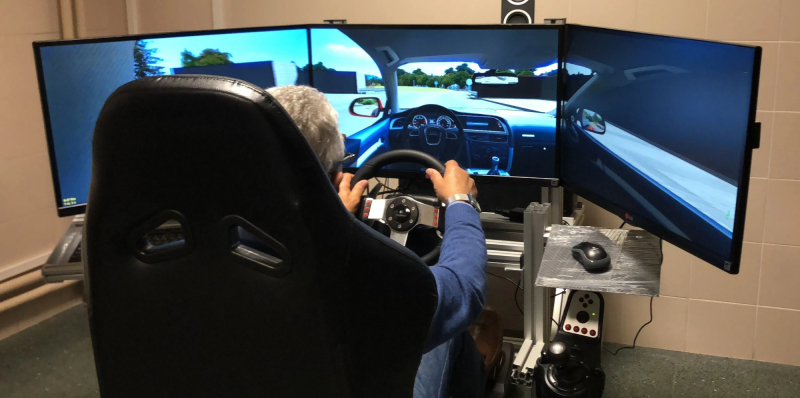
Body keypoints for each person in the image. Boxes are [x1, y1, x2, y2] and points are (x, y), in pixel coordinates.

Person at [267, 85, 498, 398]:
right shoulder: (359, 278)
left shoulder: (204, 247)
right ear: (333, 177)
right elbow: (462, 289)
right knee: (446, 330)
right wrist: (460, 202)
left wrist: (335, 217)